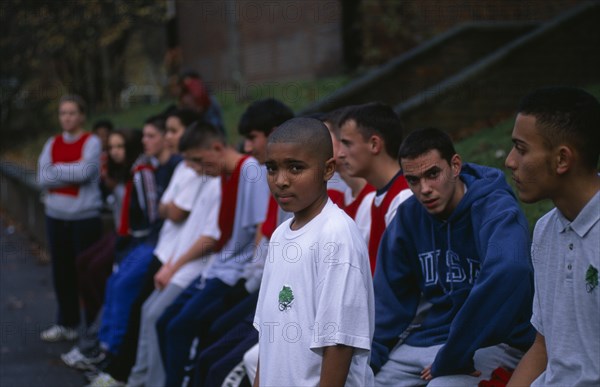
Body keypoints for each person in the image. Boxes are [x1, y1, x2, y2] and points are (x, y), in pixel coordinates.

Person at [372, 127, 536, 386]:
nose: (424, 188)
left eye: (433, 174)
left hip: (494, 340)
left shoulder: (494, 208)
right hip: (431, 338)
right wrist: (370, 361)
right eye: (413, 180)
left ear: (455, 165)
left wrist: (455, 354)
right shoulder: (408, 217)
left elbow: (511, 270)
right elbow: (387, 304)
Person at [254, 117, 375, 386]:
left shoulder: (336, 235)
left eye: (296, 168)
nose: (281, 181)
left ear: (328, 169)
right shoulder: (279, 236)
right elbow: (268, 335)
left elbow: (339, 344)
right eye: (272, 169)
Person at [155, 121, 270, 387]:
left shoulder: (250, 171)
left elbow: (260, 227)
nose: (196, 169)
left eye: (198, 160)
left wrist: (248, 278)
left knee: (181, 328)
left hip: (233, 273)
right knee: (165, 322)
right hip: (218, 266)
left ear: (217, 147)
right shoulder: (224, 175)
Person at [505, 87, 600, 386]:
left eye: (521, 148)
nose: (509, 161)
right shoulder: (546, 231)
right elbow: (543, 347)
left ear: (562, 159)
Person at [126, 122, 222, 387]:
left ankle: (151, 381)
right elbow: (179, 223)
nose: (190, 166)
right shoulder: (205, 178)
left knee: (158, 317)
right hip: (179, 263)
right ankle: (140, 378)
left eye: (194, 160)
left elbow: (208, 237)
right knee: (147, 310)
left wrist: (174, 266)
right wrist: (170, 264)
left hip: (196, 269)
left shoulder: (217, 183)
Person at [37, 94, 103, 342]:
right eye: (63, 113)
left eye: (72, 112)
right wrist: (69, 169)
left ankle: (92, 325)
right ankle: (67, 323)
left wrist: (57, 170)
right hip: (55, 216)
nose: (67, 117)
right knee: (61, 271)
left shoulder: (92, 142)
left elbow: (86, 172)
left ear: (82, 116)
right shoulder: (51, 143)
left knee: (86, 272)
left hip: (84, 217)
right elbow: (42, 177)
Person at [337, 102, 412, 272]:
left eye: (347, 144)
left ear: (374, 144)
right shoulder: (379, 196)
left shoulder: (403, 198)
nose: (341, 154)